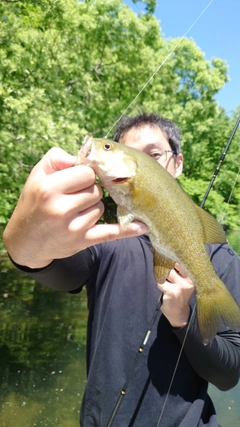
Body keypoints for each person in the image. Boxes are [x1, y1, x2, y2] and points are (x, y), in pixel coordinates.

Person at [3, 113, 240, 427]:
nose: (146, 161)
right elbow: (41, 261)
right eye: (127, 150)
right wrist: (21, 237)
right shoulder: (103, 244)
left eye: (154, 154)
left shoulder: (221, 258)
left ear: (178, 163)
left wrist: (184, 320)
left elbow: (229, 374)